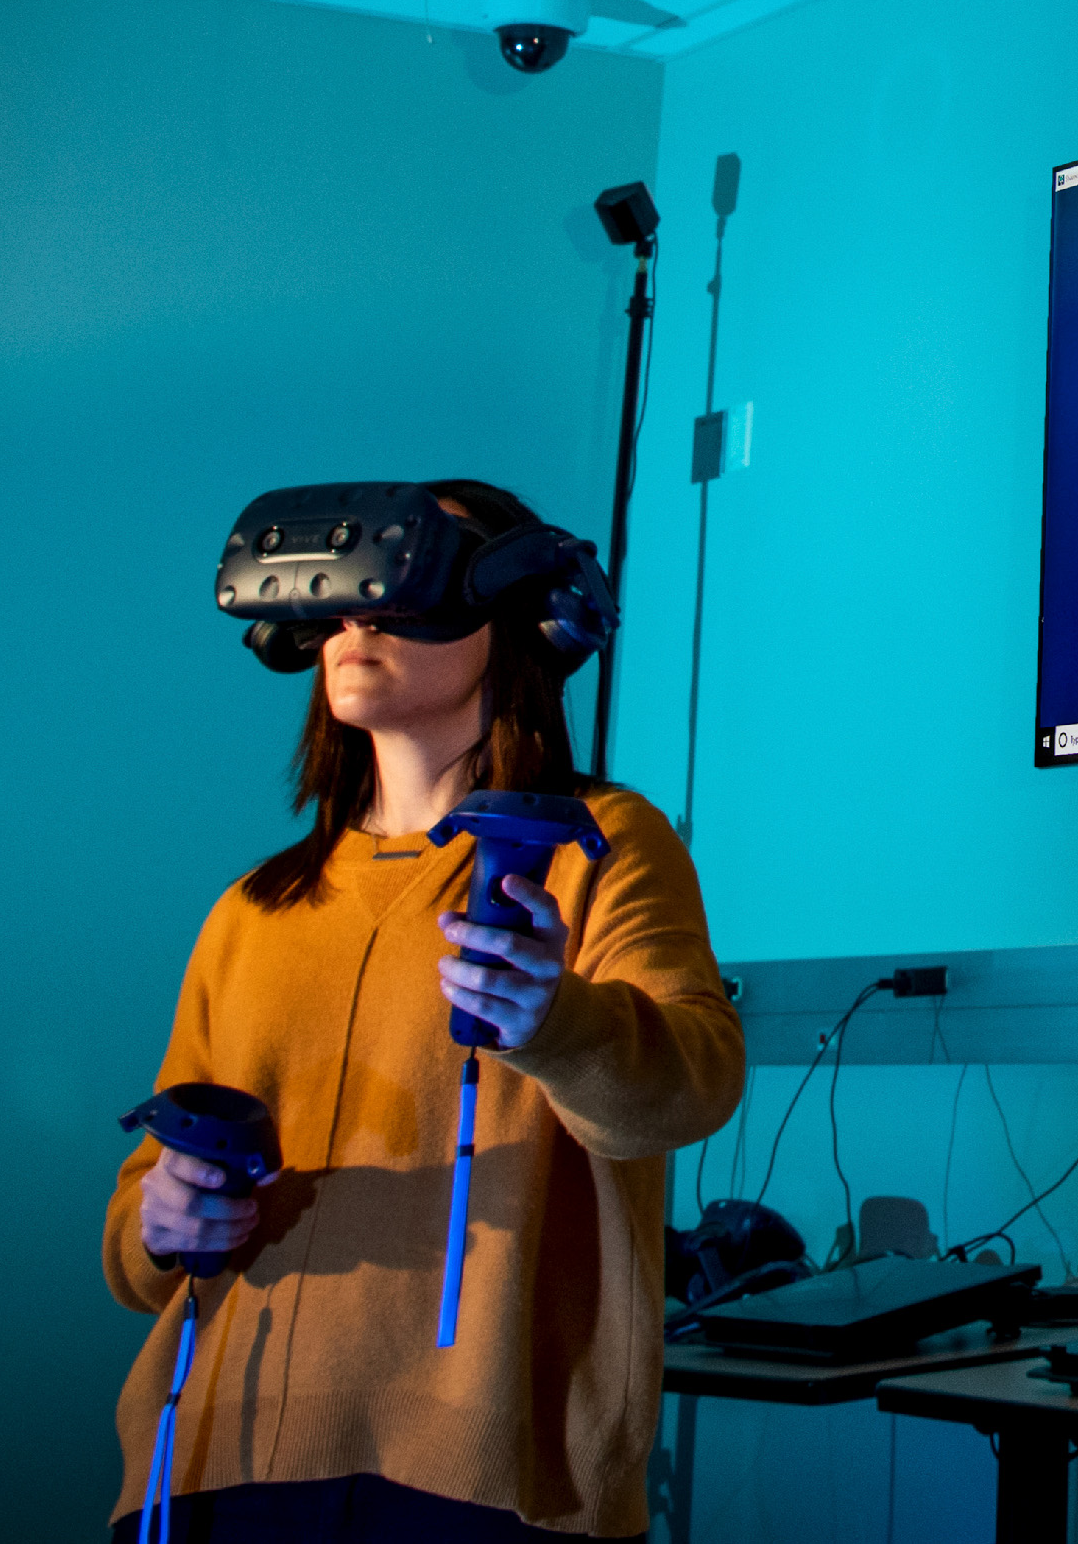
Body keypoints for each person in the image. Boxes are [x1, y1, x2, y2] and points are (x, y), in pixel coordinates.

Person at [110, 485, 742, 1541]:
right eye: (344, 598)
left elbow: (688, 1088)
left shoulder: (597, 850)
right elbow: (137, 1238)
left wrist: (556, 1021)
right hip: (215, 1470)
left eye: (407, 591)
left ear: (523, 618)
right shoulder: (254, 911)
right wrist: (159, 1222)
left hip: (490, 1478)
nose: (360, 624)